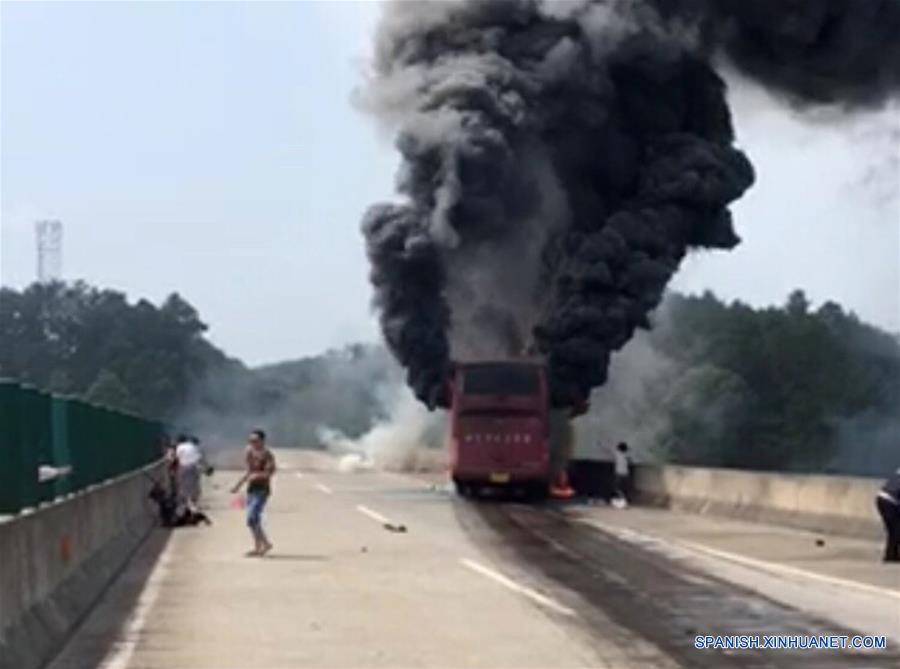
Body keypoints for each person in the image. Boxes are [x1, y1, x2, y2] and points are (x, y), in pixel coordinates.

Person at [231, 429, 276, 557]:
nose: (252, 443)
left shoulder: (267, 455)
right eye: (250, 441)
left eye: (255, 441)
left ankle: (263, 544)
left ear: (262, 441)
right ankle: (261, 545)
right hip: (251, 489)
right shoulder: (249, 452)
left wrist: (257, 476)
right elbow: (248, 471)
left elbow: (269, 473)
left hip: (262, 490)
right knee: (252, 520)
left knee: (252, 517)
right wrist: (238, 485)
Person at [876, 467, 900, 562]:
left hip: (881, 499)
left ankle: (891, 555)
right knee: (896, 530)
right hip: (889, 502)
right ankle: (890, 556)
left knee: (893, 530)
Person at [175, 434, 204, 511]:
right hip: (193, 467)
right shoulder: (193, 446)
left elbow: (177, 457)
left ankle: (185, 504)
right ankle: (193, 504)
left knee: (183, 485)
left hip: (183, 467)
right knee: (194, 485)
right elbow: (199, 458)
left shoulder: (179, 447)